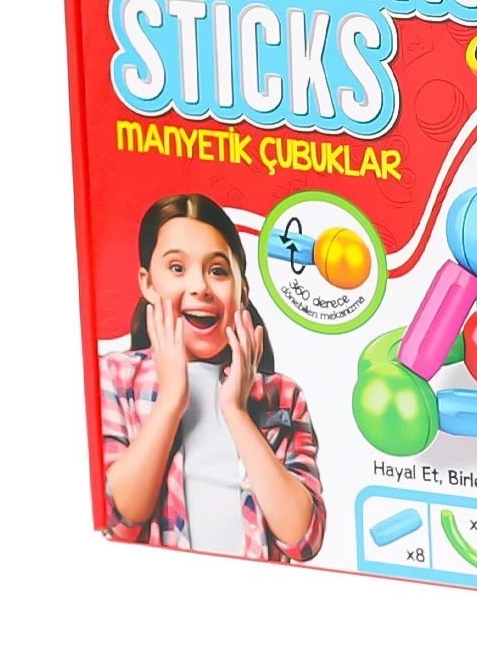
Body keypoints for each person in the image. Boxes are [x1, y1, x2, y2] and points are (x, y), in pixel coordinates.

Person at [100, 194, 324, 562]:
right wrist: (171, 399)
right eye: (177, 268)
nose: (200, 287)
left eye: (218, 271)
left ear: (242, 290)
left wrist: (236, 411)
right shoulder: (114, 376)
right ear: (148, 284)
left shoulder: (283, 395)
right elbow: (116, 523)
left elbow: (304, 539)